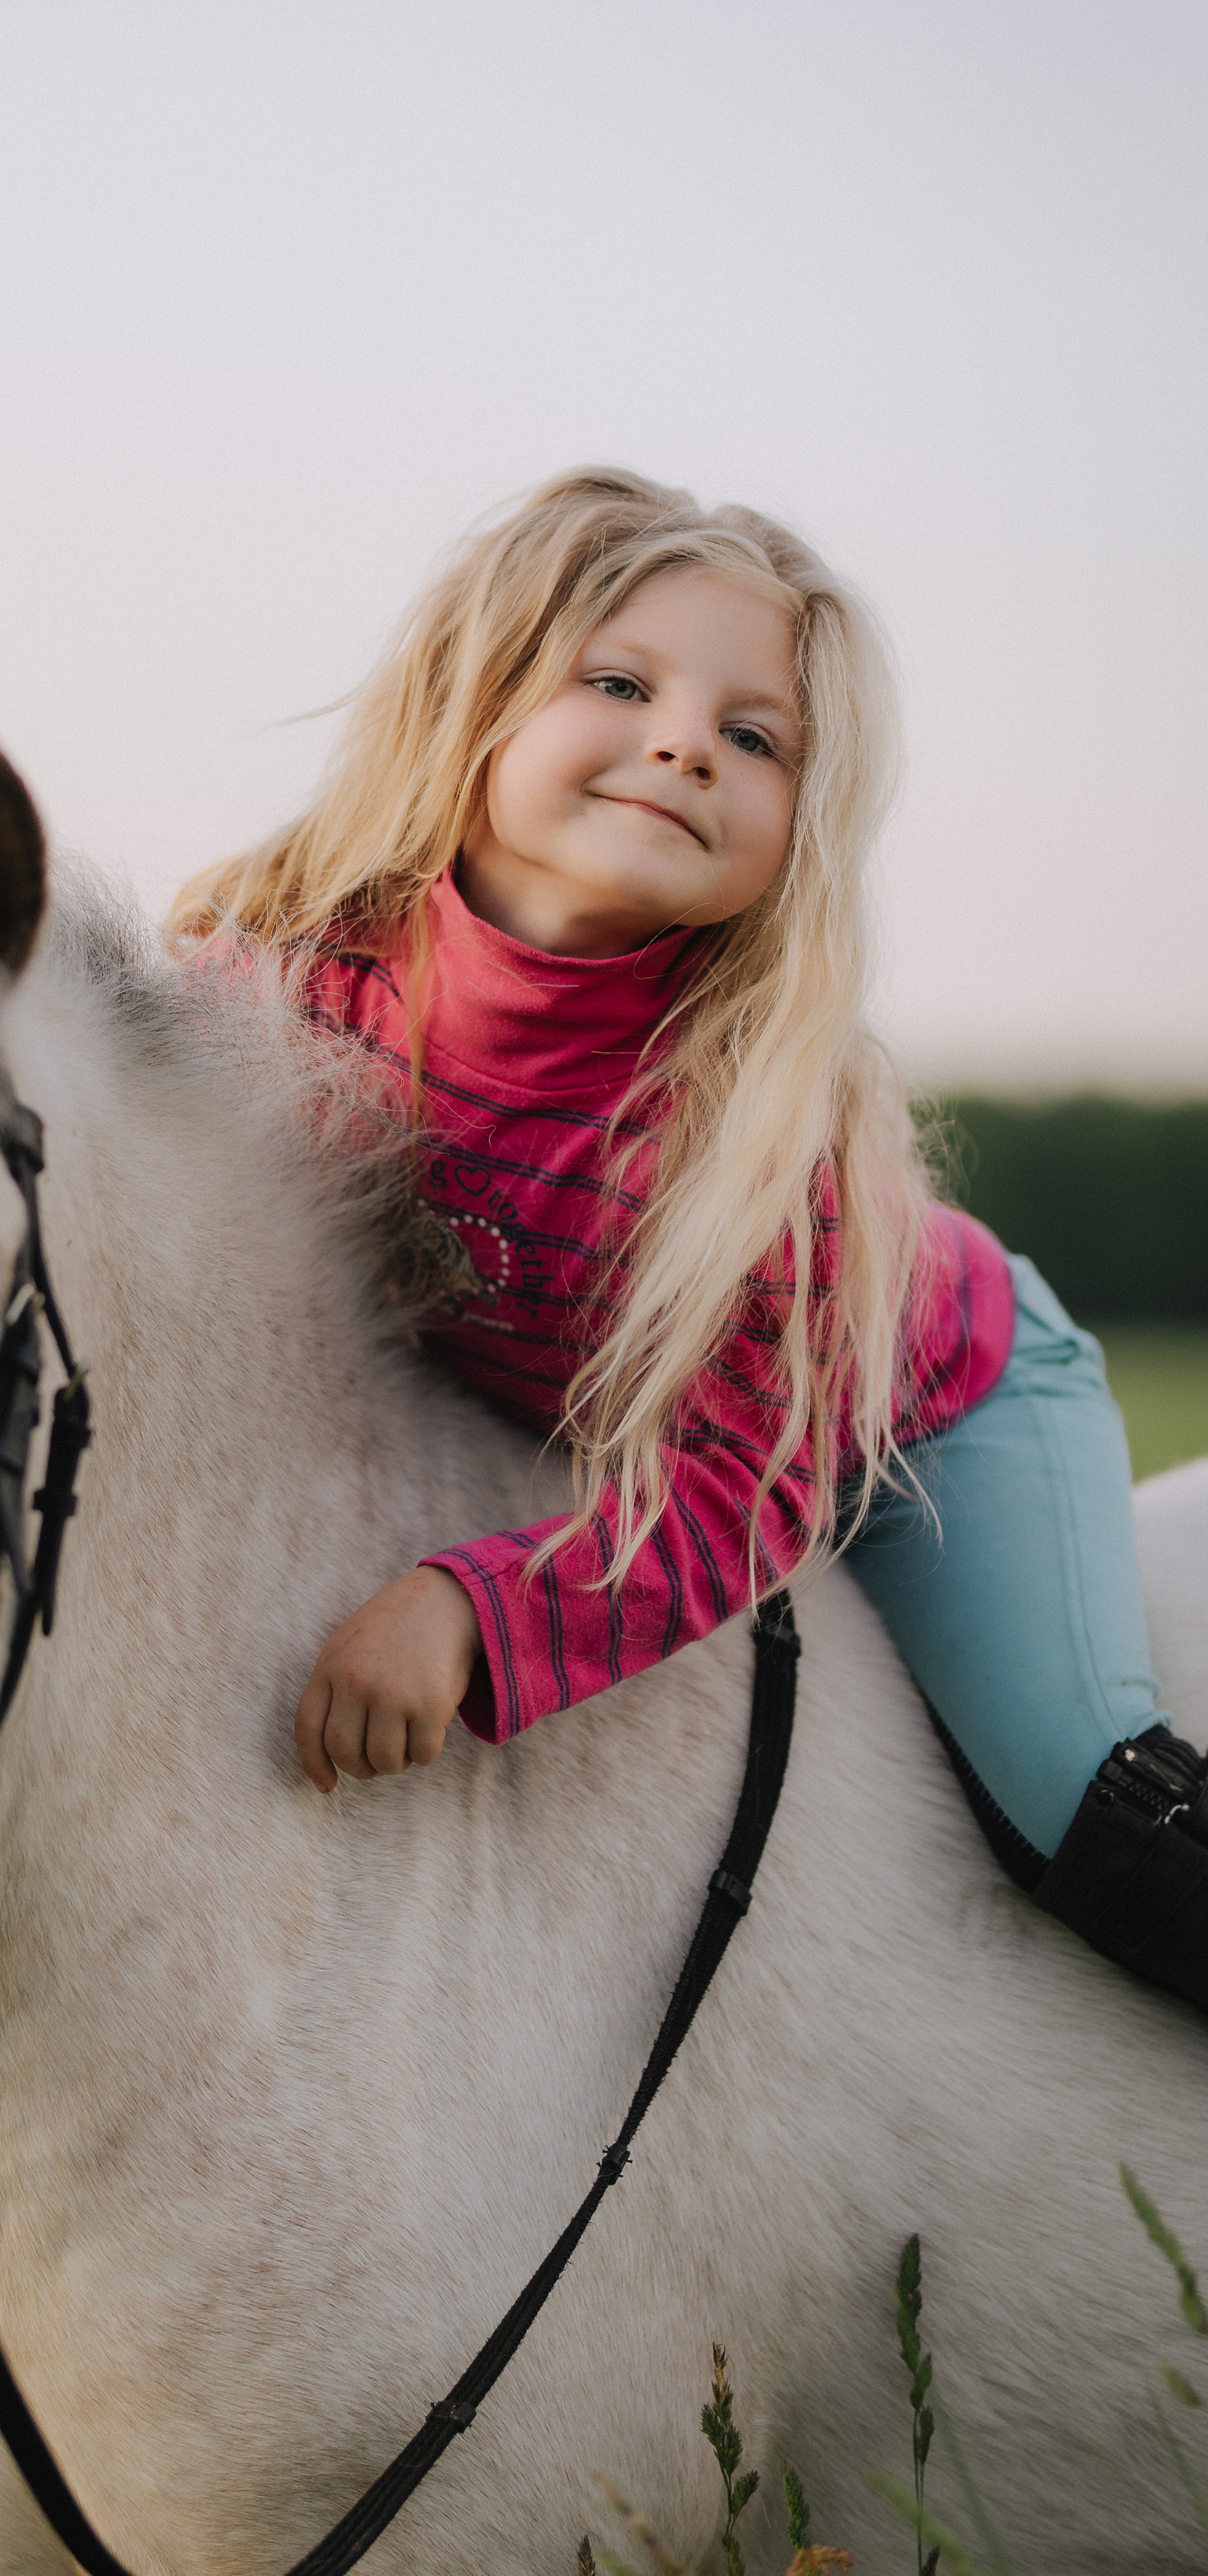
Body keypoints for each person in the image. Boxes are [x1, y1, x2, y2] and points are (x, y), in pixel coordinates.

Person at [171, 466, 1208, 2011]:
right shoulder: (291, 994)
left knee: (1071, 1794)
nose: (683, 744)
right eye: (618, 684)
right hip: (590, 1407)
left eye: (754, 737)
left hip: (931, 1418)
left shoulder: (750, 1125)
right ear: (475, 701)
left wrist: (468, 1608)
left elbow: (740, 1489)